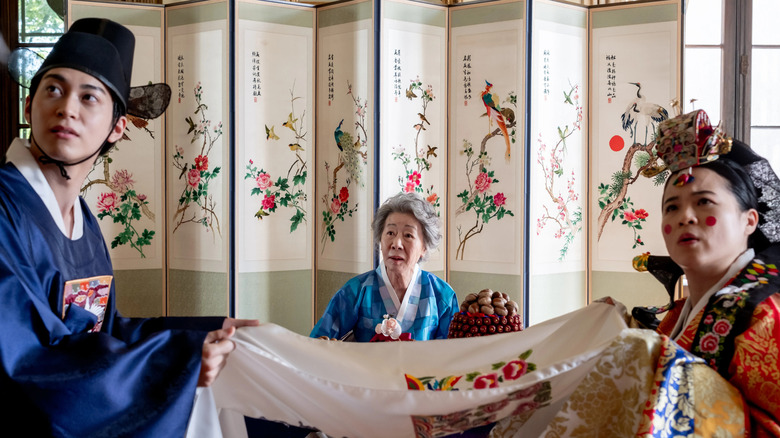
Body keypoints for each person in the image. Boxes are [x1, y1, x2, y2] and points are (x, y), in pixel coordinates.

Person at [0, 18, 258, 436]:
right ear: (29, 107)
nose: (67, 107)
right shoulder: (4, 208)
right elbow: (24, 359)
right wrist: (177, 359)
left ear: (117, 128)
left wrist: (207, 332)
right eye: (53, 89)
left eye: (89, 97)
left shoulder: (83, 221)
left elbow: (106, 331)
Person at [636, 109, 780, 435]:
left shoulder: (766, 316)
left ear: (750, 221)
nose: (685, 216)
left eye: (704, 202)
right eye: (672, 207)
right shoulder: (674, 316)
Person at [311, 191, 458, 341]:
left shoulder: (442, 295)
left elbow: (451, 355)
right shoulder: (356, 291)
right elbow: (317, 343)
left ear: (424, 247)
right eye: (390, 233)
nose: (396, 244)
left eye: (408, 235)